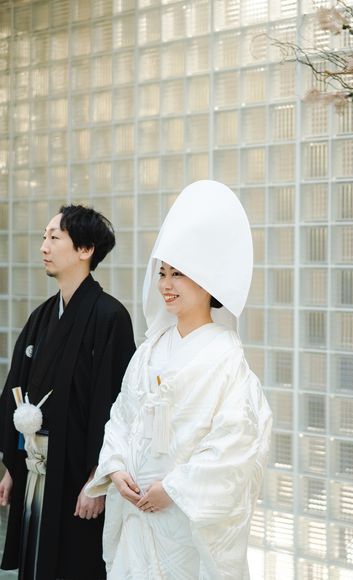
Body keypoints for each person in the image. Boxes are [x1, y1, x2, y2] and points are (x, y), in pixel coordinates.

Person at [85, 180, 272, 579]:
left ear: (207, 281)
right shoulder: (149, 350)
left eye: (179, 275)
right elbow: (122, 417)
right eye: (162, 273)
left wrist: (173, 489)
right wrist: (116, 468)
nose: (166, 286)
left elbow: (236, 443)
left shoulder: (226, 357)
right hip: (137, 511)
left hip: (183, 520)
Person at [0, 205, 136, 580]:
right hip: (35, 469)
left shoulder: (110, 317)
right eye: (43, 237)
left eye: (54, 237)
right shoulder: (41, 317)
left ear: (85, 249)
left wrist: (98, 482)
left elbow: (117, 406)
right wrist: (13, 468)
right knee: (35, 563)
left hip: (78, 475)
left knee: (75, 564)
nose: (44, 246)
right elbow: (17, 392)